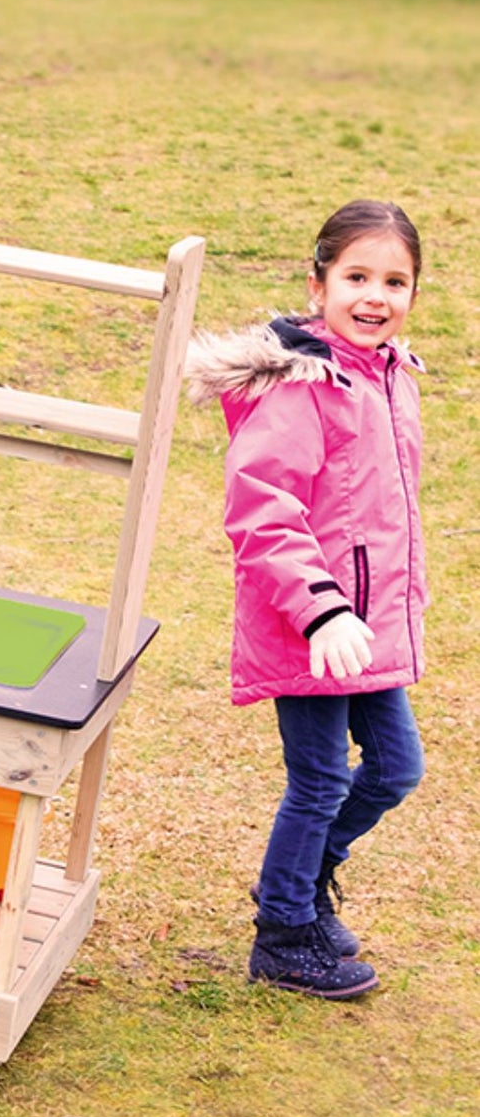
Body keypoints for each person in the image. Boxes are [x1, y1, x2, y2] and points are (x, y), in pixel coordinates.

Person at [185, 200, 428, 998]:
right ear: (317, 283)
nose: (375, 296)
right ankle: (284, 934)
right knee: (320, 778)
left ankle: (297, 880)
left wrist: (376, 612)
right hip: (307, 625)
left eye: (394, 280)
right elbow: (261, 511)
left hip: (365, 630)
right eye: (356, 275)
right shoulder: (302, 386)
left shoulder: (390, 378)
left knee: (395, 768)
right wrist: (320, 608)